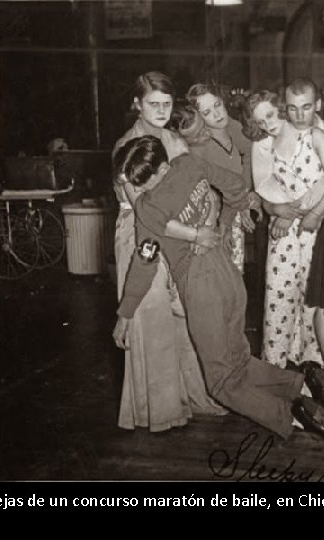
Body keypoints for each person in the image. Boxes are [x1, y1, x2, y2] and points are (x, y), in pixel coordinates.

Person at [113, 135, 324, 445]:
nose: (137, 188)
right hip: (227, 274)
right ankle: (302, 385)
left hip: (199, 285)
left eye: (142, 181)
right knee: (238, 360)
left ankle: (291, 416)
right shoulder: (190, 163)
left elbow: (144, 264)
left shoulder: (147, 207)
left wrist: (125, 314)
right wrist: (220, 225)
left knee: (221, 382)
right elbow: (236, 185)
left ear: (160, 170)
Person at [111, 71, 225, 432]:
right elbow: (148, 215)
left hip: (183, 230)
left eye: (167, 103)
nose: (161, 110)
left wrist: (207, 221)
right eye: (152, 104)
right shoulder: (126, 145)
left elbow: (199, 184)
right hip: (142, 237)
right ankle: (160, 410)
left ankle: (195, 396)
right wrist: (195, 234)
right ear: (137, 104)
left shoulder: (175, 139)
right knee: (154, 318)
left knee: (186, 316)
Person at [246, 89, 324, 371]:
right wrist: (278, 210)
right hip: (282, 225)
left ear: (282, 108)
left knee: (313, 292)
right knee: (279, 291)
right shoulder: (262, 145)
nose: (268, 124)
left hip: (315, 222)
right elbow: (263, 187)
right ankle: (276, 362)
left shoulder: (313, 132)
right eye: (261, 121)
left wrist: (296, 210)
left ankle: (313, 360)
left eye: (271, 115)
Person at [180, 82, 258, 273]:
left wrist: (246, 194)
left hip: (233, 211)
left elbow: (249, 153)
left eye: (217, 105)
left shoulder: (233, 127)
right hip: (212, 220)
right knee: (217, 276)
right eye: (207, 113)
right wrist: (226, 221)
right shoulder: (199, 147)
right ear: (198, 117)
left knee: (235, 274)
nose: (217, 114)